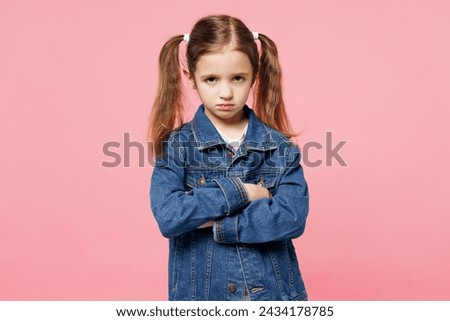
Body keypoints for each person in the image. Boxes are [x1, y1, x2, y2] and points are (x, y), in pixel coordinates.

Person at [149, 14, 309, 301]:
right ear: (192, 78)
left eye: (237, 78)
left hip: (272, 299)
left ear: (254, 75)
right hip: (202, 300)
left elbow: (292, 218)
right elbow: (170, 216)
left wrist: (213, 222)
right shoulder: (177, 146)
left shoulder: (279, 148)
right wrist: (243, 192)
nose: (226, 92)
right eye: (211, 79)